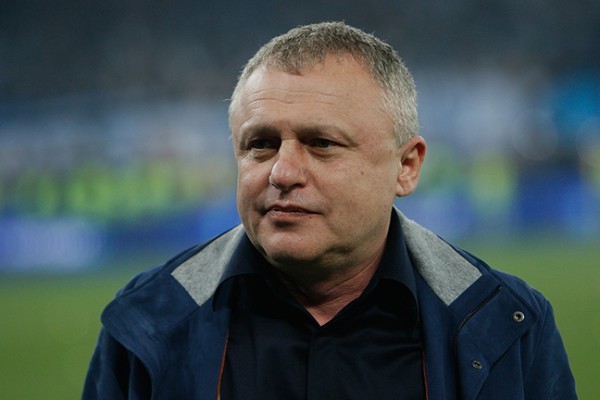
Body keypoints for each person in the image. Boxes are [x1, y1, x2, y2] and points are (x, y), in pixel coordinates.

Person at [83, 22, 577, 399]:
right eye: (260, 144)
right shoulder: (146, 319)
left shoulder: (510, 324)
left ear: (406, 167)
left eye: (321, 143)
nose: (282, 172)